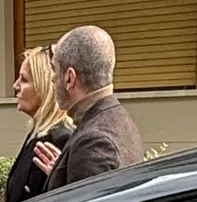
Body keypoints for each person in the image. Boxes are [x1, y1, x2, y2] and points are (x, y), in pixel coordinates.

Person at [35, 25, 144, 190]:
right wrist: (62, 174)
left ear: (70, 78)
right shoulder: (117, 117)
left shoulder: (94, 143)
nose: (52, 80)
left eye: (54, 70)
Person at [6, 44, 74, 202]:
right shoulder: (36, 134)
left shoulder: (60, 139)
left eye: (24, 79)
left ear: (44, 86)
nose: (15, 86)